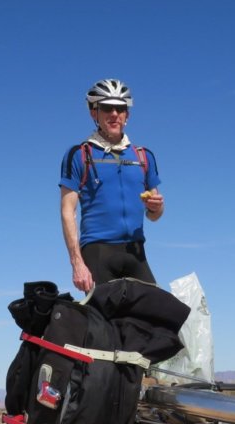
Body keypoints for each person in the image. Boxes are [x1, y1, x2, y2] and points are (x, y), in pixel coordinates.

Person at [59, 78, 165, 293]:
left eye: (120, 108)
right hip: (97, 251)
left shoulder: (144, 156)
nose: (114, 114)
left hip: (136, 252)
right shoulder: (79, 155)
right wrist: (77, 264)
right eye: (107, 108)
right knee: (102, 315)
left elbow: (154, 216)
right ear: (94, 113)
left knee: (158, 311)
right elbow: (67, 212)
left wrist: (156, 207)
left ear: (127, 115)